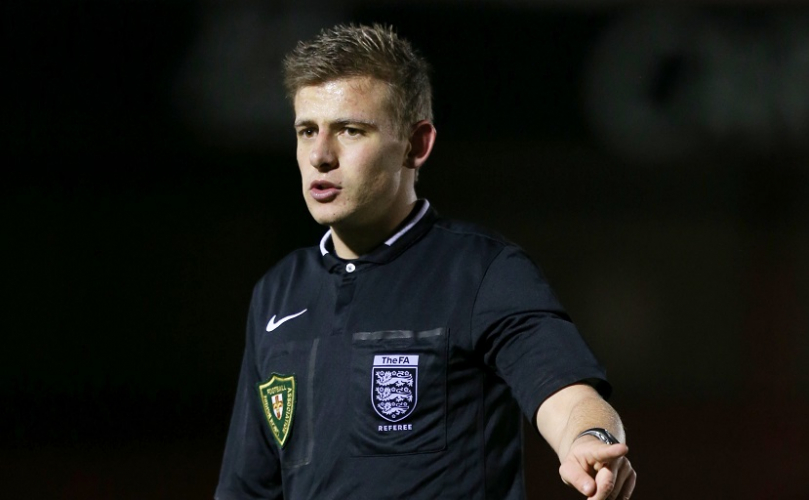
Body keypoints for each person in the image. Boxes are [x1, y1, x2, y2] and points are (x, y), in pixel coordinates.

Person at [215, 23, 636, 500]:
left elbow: (568, 395)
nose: (320, 155)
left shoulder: (482, 272)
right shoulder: (278, 292)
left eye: (350, 130)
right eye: (307, 131)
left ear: (416, 145)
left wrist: (589, 438)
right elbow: (248, 486)